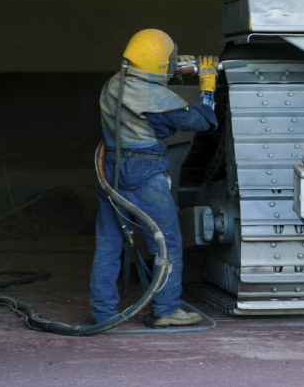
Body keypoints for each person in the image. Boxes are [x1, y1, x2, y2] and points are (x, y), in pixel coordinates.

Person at [89, 28, 218, 327]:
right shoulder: (157, 98)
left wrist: (169, 70)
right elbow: (202, 121)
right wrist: (207, 84)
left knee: (109, 244)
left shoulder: (112, 85)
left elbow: (149, 116)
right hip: (144, 173)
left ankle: (103, 314)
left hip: (110, 170)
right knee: (167, 243)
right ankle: (166, 310)